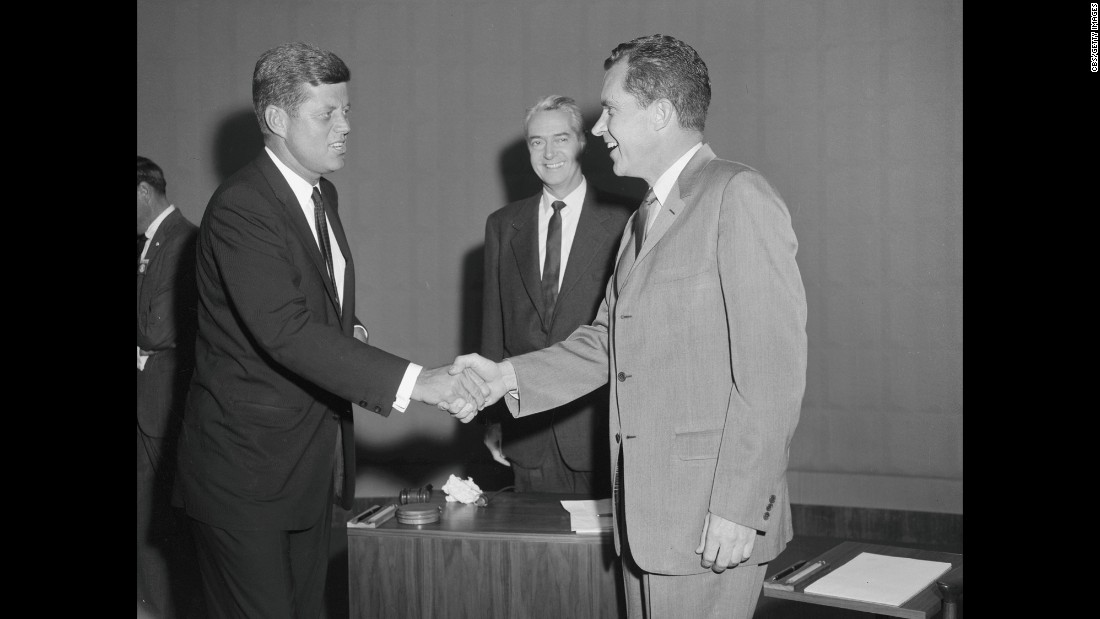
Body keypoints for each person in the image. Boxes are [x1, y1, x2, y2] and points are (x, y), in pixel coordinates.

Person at [453, 34, 807, 619]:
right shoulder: (643, 216)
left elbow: (773, 375)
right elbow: (606, 341)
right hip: (650, 522)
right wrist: (505, 377)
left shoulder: (736, 195)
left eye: (611, 109)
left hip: (709, 521)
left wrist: (741, 507)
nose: (598, 129)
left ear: (661, 114)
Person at [175, 42, 484, 619]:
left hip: (310, 470)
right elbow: (286, 331)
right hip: (247, 478)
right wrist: (422, 382)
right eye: (327, 115)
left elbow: (318, 308)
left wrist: (353, 336)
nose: (346, 127)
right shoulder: (243, 205)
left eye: (346, 111)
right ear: (276, 120)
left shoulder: (320, 193)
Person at [479, 95, 629, 496]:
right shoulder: (503, 225)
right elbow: (495, 327)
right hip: (528, 433)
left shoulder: (625, 220)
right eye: (536, 142)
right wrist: (493, 418)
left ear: (582, 142)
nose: (549, 153)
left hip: (599, 431)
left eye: (561, 138)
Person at [137, 156, 205, 618]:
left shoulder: (185, 239)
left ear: (142, 192)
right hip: (147, 401)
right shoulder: (147, 245)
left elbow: (157, 330)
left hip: (163, 406)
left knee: (155, 523)